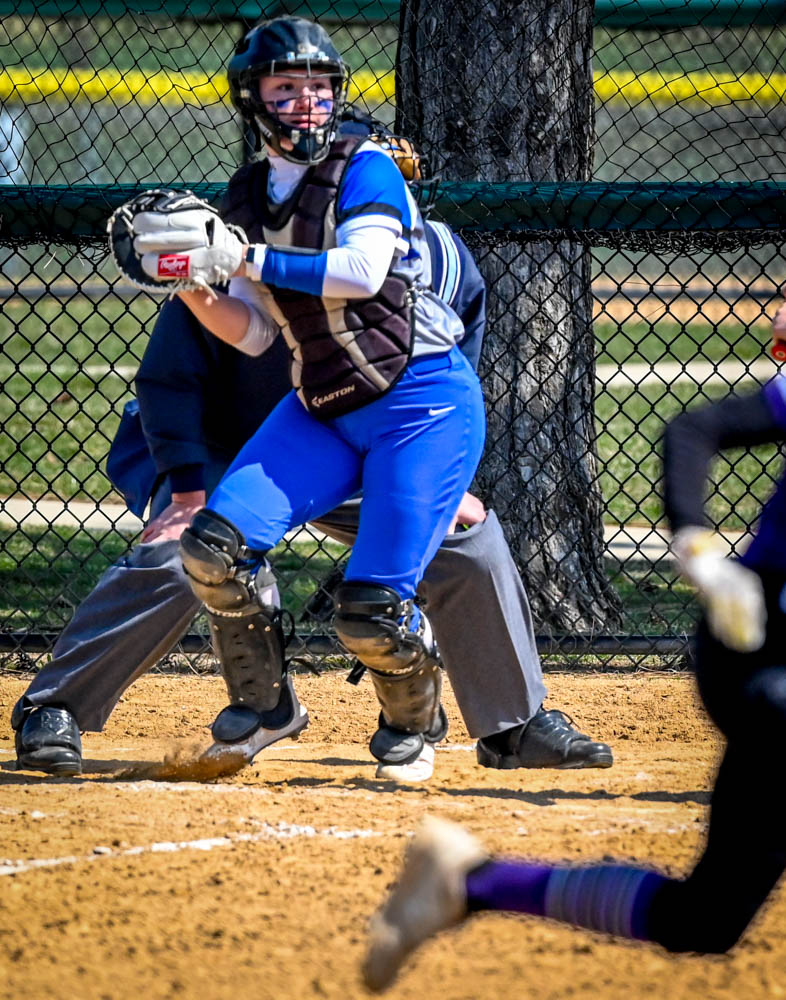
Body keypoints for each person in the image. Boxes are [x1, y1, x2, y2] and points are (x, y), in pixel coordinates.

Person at [12, 25, 612, 780]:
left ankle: (513, 723)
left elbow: (451, 367)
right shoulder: (241, 226)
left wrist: (443, 479)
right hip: (234, 441)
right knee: (190, 551)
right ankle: (58, 705)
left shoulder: (440, 257)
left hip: (371, 434)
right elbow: (174, 381)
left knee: (469, 541)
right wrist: (190, 482)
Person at [362, 318, 786, 988]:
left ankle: (471, 881)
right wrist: (701, 551)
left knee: (704, 920)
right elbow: (692, 431)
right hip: (759, 654)